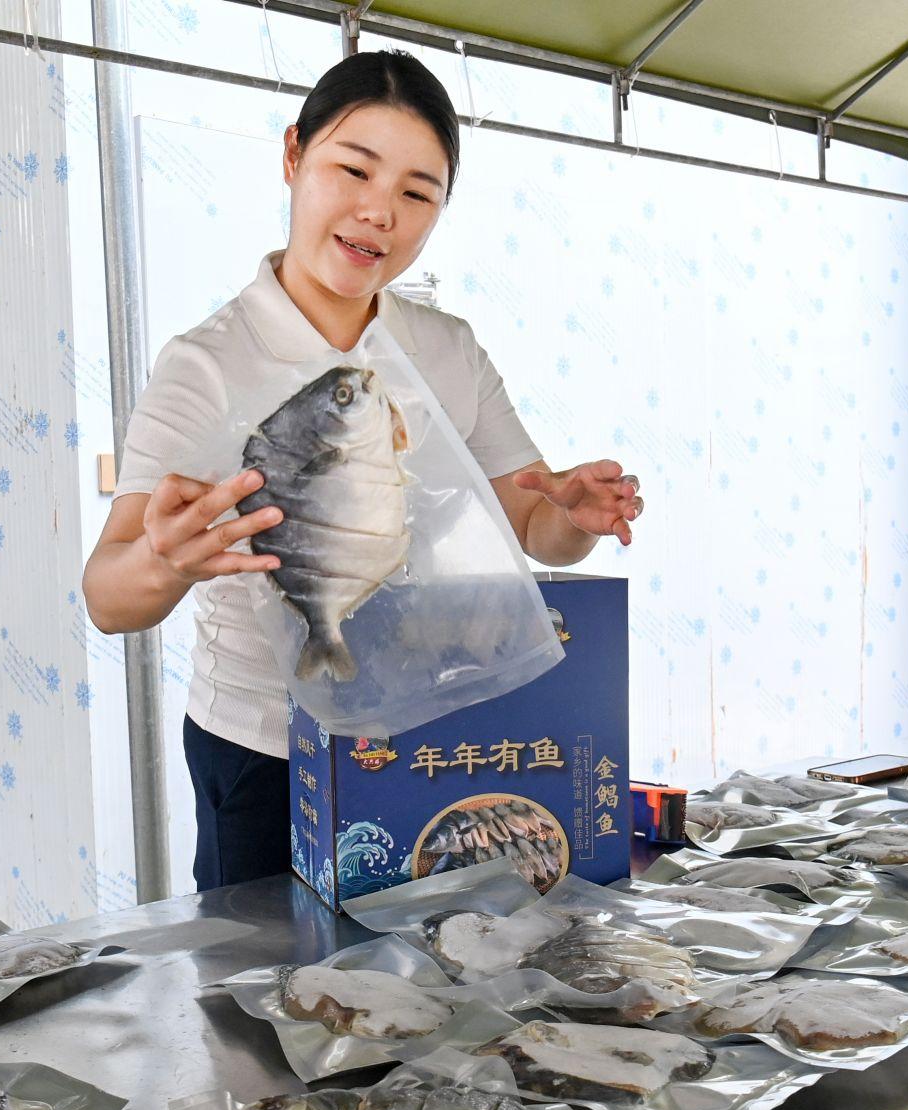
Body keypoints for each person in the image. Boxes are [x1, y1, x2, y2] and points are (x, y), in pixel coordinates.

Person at [83, 50, 640, 892]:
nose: (379, 212)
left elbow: (536, 530)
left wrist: (574, 513)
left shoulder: (446, 348)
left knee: (425, 991)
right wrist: (164, 559)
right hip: (264, 750)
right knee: (273, 994)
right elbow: (106, 595)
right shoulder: (206, 364)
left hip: (427, 731)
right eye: (353, 169)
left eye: (418, 193)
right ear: (292, 156)